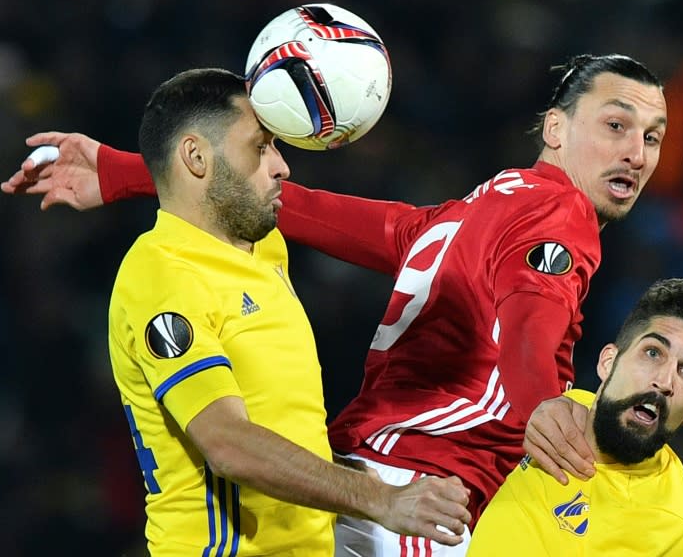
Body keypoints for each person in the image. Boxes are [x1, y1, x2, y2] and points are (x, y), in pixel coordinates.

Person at [3, 53, 666, 554]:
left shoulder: (471, 212)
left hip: (353, 487)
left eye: (653, 137)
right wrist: (539, 405)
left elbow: (301, 208)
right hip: (420, 494)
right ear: (555, 128)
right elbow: (534, 307)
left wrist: (122, 171)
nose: (635, 153)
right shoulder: (559, 210)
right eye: (615, 125)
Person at [55, 67, 473, 556]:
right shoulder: (161, 272)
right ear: (195, 157)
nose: (282, 166)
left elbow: (278, 419)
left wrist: (352, 473)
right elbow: (227, 441)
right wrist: (380, 499)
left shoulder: (264, 248)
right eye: (260, 147)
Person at [468, 276, 683, 556]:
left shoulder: (668, 527)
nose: (665, 381)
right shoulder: (538, 409)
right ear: (608, 362)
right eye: (652, 352)